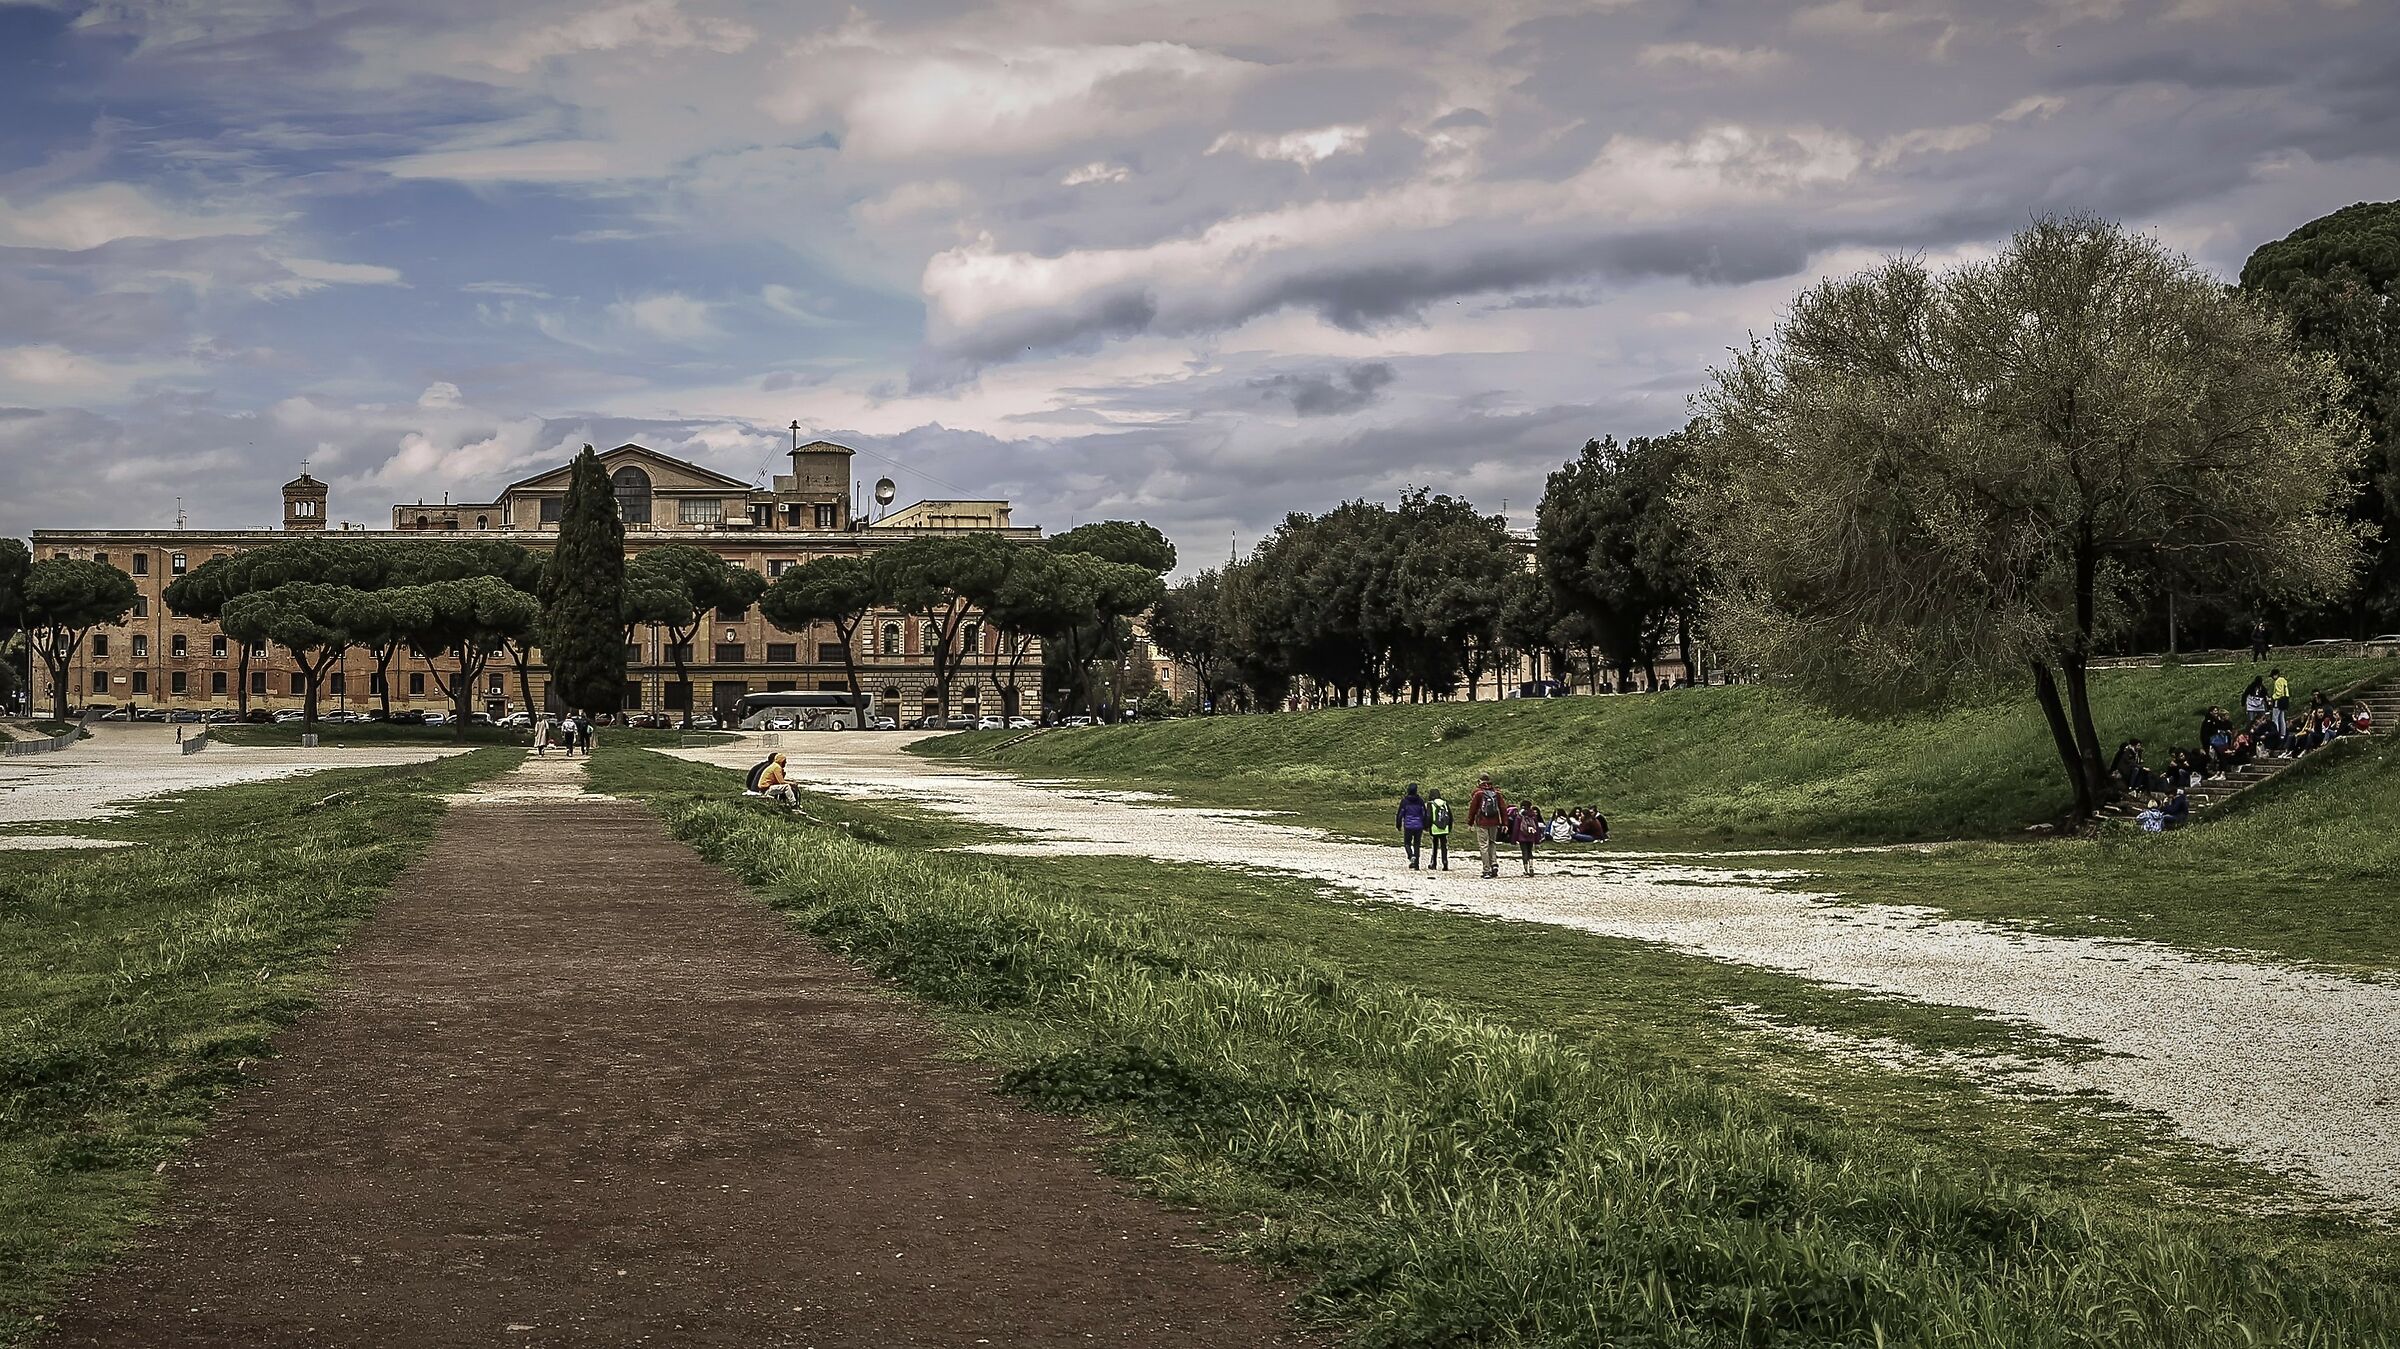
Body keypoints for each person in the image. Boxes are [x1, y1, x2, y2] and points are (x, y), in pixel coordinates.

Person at [1465, 773, 1508, 879]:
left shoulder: (1478, 793)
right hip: (1494, 821)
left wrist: (1470, 823)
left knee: (1484, 845)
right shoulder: (1496, 793)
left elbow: (1473, 809)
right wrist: (1505, 823)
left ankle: (1486, 869)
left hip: (1482, 822)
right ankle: (1494, 863)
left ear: (1480, 781)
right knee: (1492, 843)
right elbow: (1503, 808)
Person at [1395, 783, 1429, 871]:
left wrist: (1398, 825)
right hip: (1419, 826)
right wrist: (1425, 825)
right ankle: (1416, 864)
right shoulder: (1420, 801)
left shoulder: (1405, 801)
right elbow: (1424, 814)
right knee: (1417, 844)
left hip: (1408, 825)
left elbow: (1400, 814)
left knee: (1407, 843)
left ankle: (1411, 856)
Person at [1508, 801, 1544, 876]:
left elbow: (1516, 828)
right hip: (1531, 836)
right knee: (1530, 851)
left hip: (1522, 837)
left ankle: (1526, 869)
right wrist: (1537, 840)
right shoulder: (1533, 815)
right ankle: (1531, 866)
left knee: (1524, 852)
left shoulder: (1519, 816)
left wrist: (1513, 840)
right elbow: (1536, 828)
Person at [1426, 790, 1452, 871]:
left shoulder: (1430, 804)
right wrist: (1449, 827)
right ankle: (1445, 862)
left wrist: (1427, 826)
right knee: (1444, 846)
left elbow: (1429, 817)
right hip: (1444, 828)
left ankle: (1434, 863)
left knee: (1435, 846)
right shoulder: (1444, 803)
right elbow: (1450, 817)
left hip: (1435, 828)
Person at [2268, 668, 2289, 739]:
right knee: (2282, 718)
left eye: (2273, 676)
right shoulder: (2284, 680)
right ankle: (2283, 733)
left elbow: (2278, 693)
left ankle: (2275, 733)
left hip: (2278, 701)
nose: (2272, 678)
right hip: (2285, 700)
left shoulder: (2277, 682)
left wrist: (2272, 698)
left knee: (2275, 719)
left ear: (2276, 675)